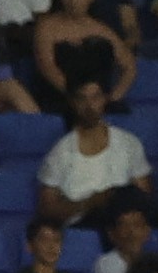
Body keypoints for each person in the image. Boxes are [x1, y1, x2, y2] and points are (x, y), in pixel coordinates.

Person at [35, 79, 150, 230]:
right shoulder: (60, 153)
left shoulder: (129, 143)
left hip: (123, 223)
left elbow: (143, 195)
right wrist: (90, 202)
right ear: (73, 102)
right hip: (83, 226)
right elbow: (47, 210)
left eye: (95, 97)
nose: (90, 106)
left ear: (104, 99)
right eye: (82, 98)